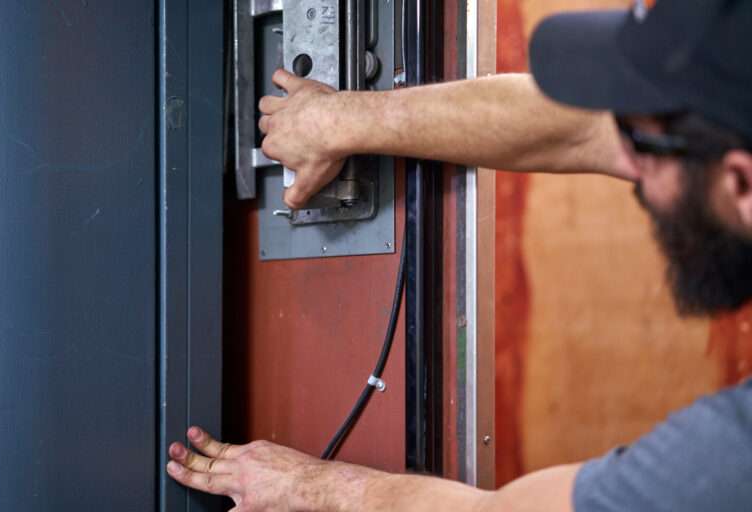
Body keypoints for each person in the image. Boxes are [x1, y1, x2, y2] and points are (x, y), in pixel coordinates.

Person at [165, 0, 752, 510]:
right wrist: (341, 119)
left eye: (647, 150)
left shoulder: (732, 458)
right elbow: (579, 129)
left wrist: (312, 487)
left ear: (739, 184)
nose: (632, 168)